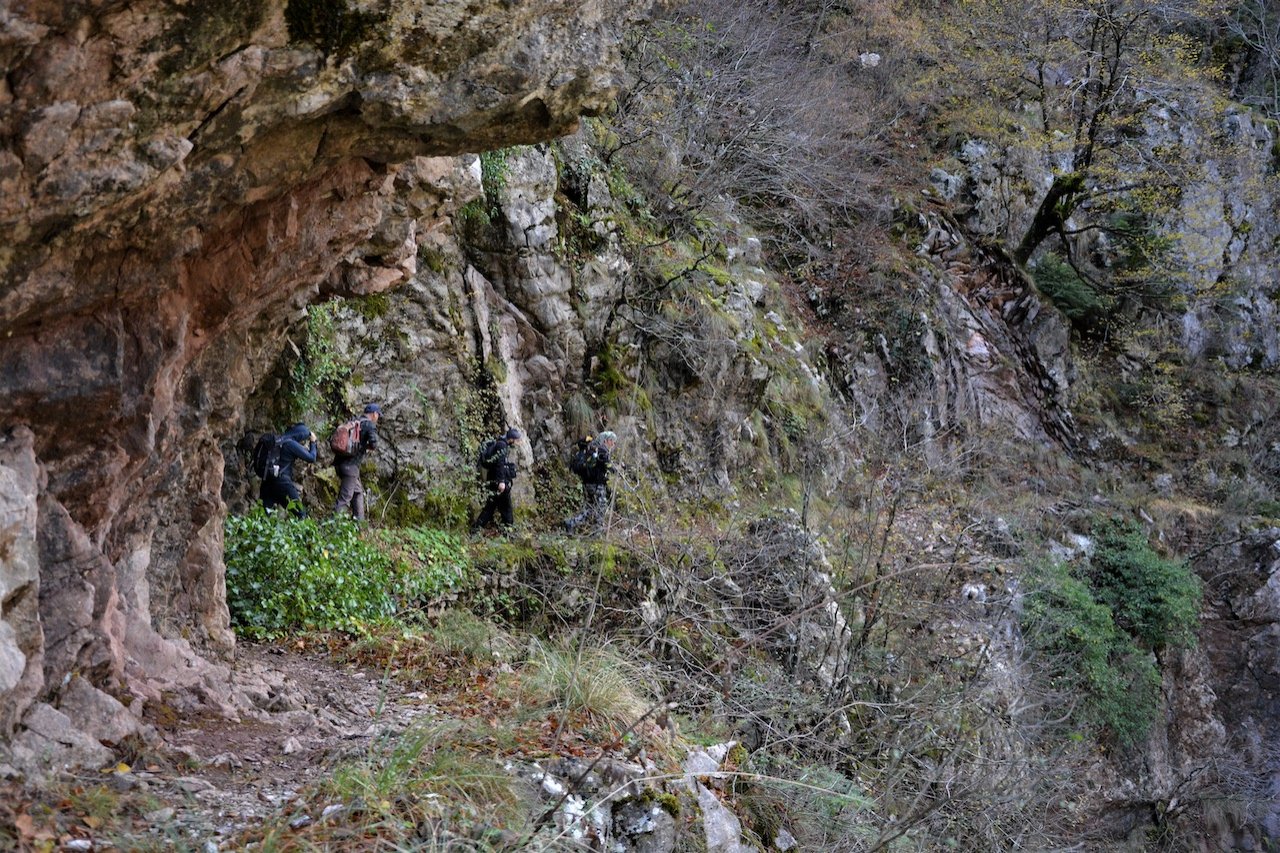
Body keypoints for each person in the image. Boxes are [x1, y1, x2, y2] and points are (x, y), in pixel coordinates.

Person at [333, 403, 380, 521]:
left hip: (339, 464)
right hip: (351, 466)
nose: (378, 417)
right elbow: (373, 443)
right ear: (374, 414)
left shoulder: (353, 421)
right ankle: (333, 526)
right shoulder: (369, 425)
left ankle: (359, 523)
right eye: (378, 415)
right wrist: (365, 447)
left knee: (358, 492)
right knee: (345, 498)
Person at [260, 422, 318, 516]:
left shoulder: (278, 440)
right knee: (301, 514)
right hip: (282, 483)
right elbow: (311, 458)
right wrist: (313, 442)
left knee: (264, 515)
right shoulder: (291, 444)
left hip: (267, 481)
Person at [565, 430, 616, 534]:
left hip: (587, 483)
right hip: (597, 484)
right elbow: (607, 465)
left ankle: (571, 522)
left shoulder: (592, 449)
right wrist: (616, 469)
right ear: (606, 440)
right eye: (612, 441)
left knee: (590, 508)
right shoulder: (602, 450)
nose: (613, 444)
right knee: (601, 507)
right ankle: (597, 532)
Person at [472, 427, 522, 533]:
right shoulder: (502, 445)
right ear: (512, 439)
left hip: (493, 479)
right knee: (506, 507)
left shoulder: (501, 443)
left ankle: (475, 529)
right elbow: (500, 465)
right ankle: (508, 531)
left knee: (490, 507)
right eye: (517, 440)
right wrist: (502, 482)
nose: (518, 443)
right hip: (497, 482)